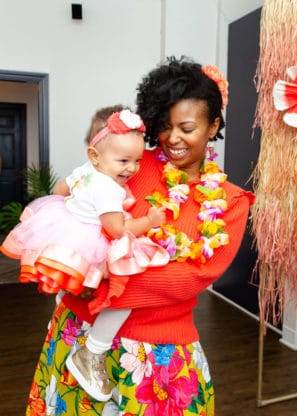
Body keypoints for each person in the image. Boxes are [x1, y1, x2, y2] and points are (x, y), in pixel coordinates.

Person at [25, 56, 254, 416]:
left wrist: (100, 281)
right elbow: (79, 207)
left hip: (158, 354)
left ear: (213, 126)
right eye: (165, 126)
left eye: (187, 127)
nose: (172, 138)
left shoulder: (231, 201)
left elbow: (192, 277)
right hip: (78, 331)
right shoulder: (131, 163)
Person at [0, 106, 168, 402]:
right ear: (95, 155)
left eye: (137, 161)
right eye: (123, 160)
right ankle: (92, 351)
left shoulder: (84, 171)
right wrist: (150, 222)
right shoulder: (109, 190)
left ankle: (64, 300)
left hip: (68, 231)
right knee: (126, 281)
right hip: (94, 238)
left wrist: (72, 210)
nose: (131, 169)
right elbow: (117, 229)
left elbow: (59, 189)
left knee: (73, 275)